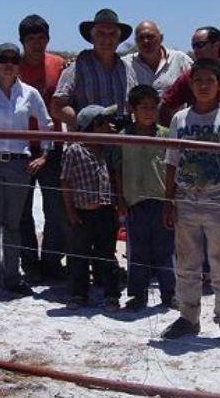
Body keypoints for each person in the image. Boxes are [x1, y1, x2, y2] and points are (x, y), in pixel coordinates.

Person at [160, 58, 220, 350]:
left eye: (210, 80)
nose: (204, 86)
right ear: (191, 84)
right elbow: (172, 161)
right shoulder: (180, 119)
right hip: (186, 198)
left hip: (219, 198)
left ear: (219, 84)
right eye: (198, 81)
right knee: (187, 263)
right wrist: (168, 200)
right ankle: (188, 316)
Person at [160, 26, 220, 281]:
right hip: (193, 173)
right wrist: (174, 134)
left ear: (217, 45)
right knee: (190, 241)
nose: (196, 51)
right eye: (193, 46)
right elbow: (166, 104)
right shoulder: (190, 77)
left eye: (200, 45)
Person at [0, 43, 54, 303]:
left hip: (19, 165)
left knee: (13, 225)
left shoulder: (29, 94)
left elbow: (46, 124)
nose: (8, 64)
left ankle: (12, 278)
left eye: (13, 59)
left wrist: (44, 155)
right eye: (2, 59)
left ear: (19, 64)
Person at [16, 14, 68, 284]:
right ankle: (30, 265)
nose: (36, 44)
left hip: (54, 146)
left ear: (48, 39)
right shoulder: (14, 68)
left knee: (56, 208)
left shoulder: (59, 65)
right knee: (22, 211)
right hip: (21, 149)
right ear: (22, 42)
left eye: (41, 38)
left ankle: (51, 261)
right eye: (30, 39)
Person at [115, 85, 176, 311]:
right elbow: (117, 169)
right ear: (133, 109)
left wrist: (171, 200)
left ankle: (169, 294)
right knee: (137, 251)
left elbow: (172, 169)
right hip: (134, 202)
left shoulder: (166, 135)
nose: (149, 112)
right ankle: (137, 295)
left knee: (166, 251)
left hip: (160, 200)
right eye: (144, 107)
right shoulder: (123, 137)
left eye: (153, 107)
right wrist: (120, 198)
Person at [60, 105, 122, 312]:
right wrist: (70, 212)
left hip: (104, 210)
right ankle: (78, 294)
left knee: (107, 254)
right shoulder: (74, 150)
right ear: (94, 126)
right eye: (105, 123)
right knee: (78, 255)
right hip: (82, 212)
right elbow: (66, 182)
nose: (109, 127)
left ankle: (111, 294)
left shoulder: (107, 149)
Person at [51, 8, 135, 126]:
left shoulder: (128, 70)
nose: (107, 39)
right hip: (87, 142)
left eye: (112, 34)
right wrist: (88, 125)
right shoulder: (76, 68)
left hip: (120, 141)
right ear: (92, 37)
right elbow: (57, 107)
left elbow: (134, 107)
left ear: (119, 39)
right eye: (101, 33)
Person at [122, 21, 192, 96]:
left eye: (150, 37)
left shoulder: (180, 60)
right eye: (141, 38)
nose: (145, 41)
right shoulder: (125, 64)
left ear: (161, 38)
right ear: (136, 41)